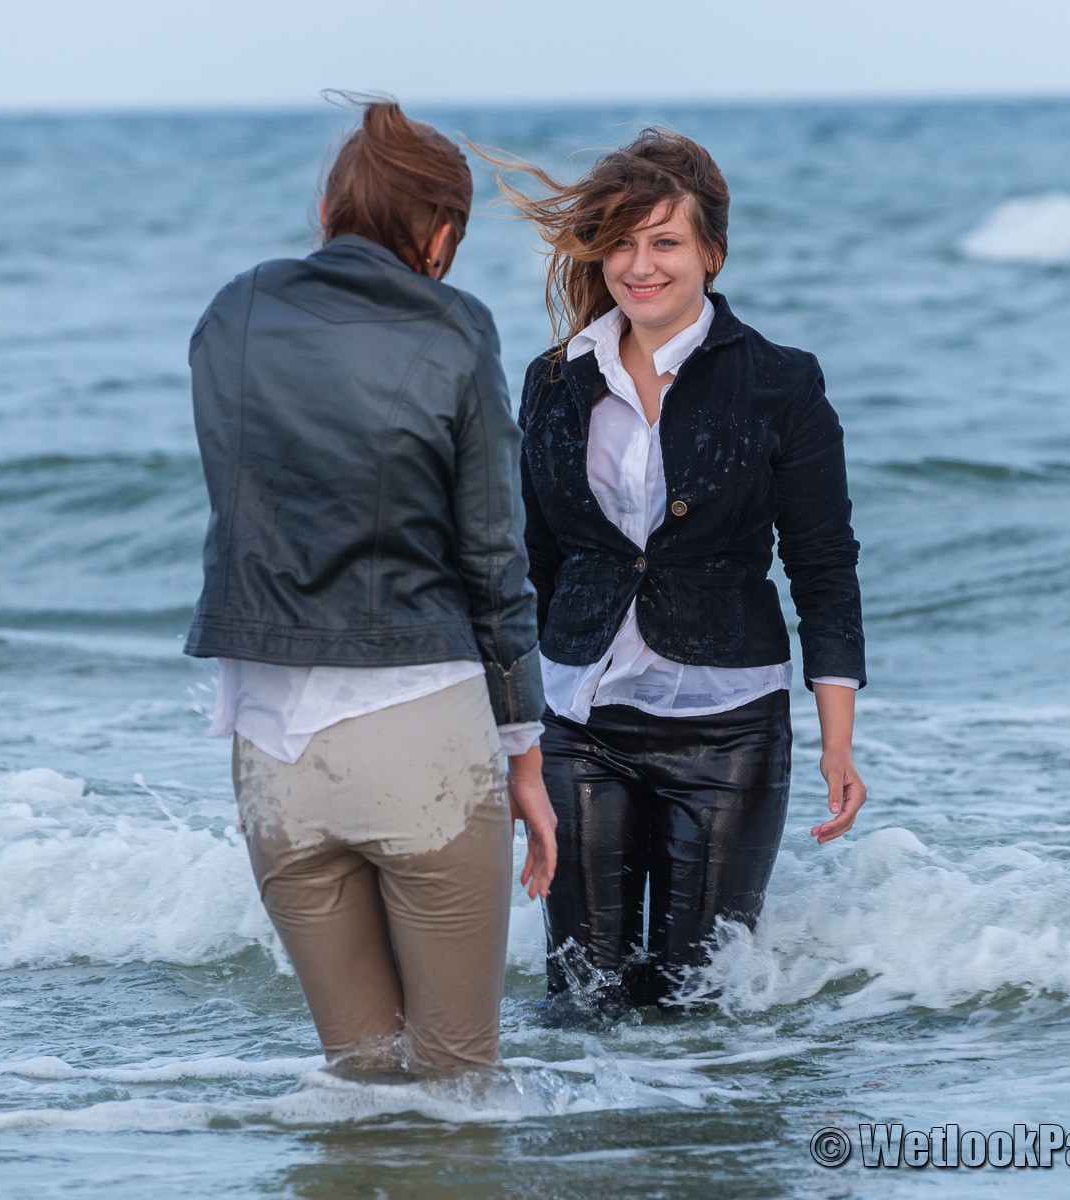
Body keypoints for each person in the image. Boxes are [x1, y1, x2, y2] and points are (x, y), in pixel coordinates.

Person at [184, 98, 556, 1068]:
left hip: (272, 749)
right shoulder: (455, 327)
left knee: (357, 1083)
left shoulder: (231, 313)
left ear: (328, 213)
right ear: (438, 237)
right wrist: (524, 750)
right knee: (457, 1080)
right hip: (420, 731)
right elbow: (493, 554)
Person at [486, 128, 867, 1015]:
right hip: (580, 722)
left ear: (711, 254)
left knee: (699, 1008)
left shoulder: (779, 382)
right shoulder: (554, 380)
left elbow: (823, 565)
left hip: (728, 730)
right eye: (621, 242)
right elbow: (533, 561)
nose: (640, 265)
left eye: (665, 241)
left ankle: (694, 1119)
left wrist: (837, 741)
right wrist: (511, 735)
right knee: (583, 1001)